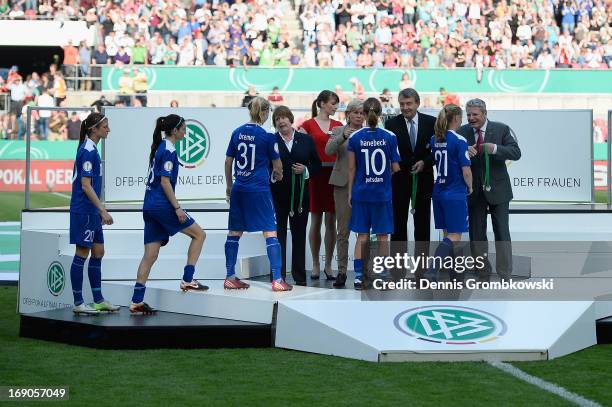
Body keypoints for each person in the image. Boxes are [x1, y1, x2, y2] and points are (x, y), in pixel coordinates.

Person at [130, 114, 208, 315]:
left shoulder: (160, 147)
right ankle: (188, 279)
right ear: (175, 131)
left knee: (150, 254)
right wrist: (177, 208)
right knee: (199, 235)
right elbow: (165, 182)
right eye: (183, 129)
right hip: (161, 205)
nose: (185, 132)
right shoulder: (169, 150)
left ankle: (137, 301)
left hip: (149, 206)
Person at [224, 97, 292, 292]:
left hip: (239, 188)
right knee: (270, 232)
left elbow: (228, 162)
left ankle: (230, 276)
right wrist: (277, 176)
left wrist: (229, 186)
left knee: (234, 232)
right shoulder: (268, 137)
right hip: (259, 190)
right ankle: (277, 279)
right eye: (268, 112)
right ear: (263, 112)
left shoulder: (237, 133)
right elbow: (278, 166)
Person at [457, 98, 521, 281]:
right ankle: (482, 273)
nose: (471, 118)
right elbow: (452, 156)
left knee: (502, 232)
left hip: (499, 191)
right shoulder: (462, 132)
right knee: (477, 235)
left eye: (475, 114)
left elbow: (516, 153)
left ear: (485, 114)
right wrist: (463, 151)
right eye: (468, 114)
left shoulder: (501, 129)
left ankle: (505, 273)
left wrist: (494, 149)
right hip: (473, 192)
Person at [69, 113, 119, 314]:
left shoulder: (91, 149)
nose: (108, 129)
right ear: (94, 129)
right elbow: (86, 186)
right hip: (84, 211)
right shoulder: (88, 151)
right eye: (105, 126)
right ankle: (78, 303)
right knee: (82, 253)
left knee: (98, 252)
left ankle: (98, 299)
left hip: (91, 211)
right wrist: (102, 210)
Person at [347, 97, 400, 289]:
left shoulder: (355, 137)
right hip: (382, 194)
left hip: (361, 193)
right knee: (383, 237)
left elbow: (351, 169)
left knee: (362, 236)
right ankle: (383, 276)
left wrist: (350, 193)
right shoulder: (390, 136)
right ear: (380, 114)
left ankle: (359, 276)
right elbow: (395, 167)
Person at [384, 88, 436, 280]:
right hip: (399, 180)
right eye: (402, 104)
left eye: (409, 104)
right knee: (398, 225)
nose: (405, 108)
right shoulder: (390, 124)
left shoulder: (432, 122)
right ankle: (397, 272)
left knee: (422, 225)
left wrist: (426, 162)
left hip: (424, 180)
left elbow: (438, 151)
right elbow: (388, 153)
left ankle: (421, 271)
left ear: (417, 103)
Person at [271, 106, 321, 285]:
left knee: (299, 235)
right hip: (278, 197)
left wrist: (306, 169)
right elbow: (265, 165)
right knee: (278, 237)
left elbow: (317, 165)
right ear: (275, 123)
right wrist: (274, 173)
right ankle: (278, 276)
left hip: (300, 198)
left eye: (284, 117)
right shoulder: (271, 140)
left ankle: (299, 277)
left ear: (291, 119)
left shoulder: (306, 140)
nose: (281, 121)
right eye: (277, 118)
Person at [426, 104, 472, 282]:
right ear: (457, 119)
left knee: (448, 235)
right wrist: (471, 187)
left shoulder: (434, 138)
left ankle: (454, 274)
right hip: (455, 192)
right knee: (455, 235)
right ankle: (433, 268)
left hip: (438, 191)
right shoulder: (459, 140)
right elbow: (466, 170)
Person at [299, 90, 342, 280]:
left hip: (334, 175)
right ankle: (316, 263)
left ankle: (328, 264)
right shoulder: (306, 126)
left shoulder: (340, 125)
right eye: (333, 103)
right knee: (315, 220)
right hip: (315, 176)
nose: (335, 107)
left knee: (331, 221)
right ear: (322, 104)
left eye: (336, 103)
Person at [325, 99, 364, 288]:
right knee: (343, 230)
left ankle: (362, 271)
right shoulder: (338, 130)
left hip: (364, 186)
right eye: (355, 112)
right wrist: (342, 136)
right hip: (342, 185)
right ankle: (341, 271)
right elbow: (328, 150)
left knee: (364, 231)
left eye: (362, 112)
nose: (358, 115)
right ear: (348, 114)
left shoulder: (370, 132)